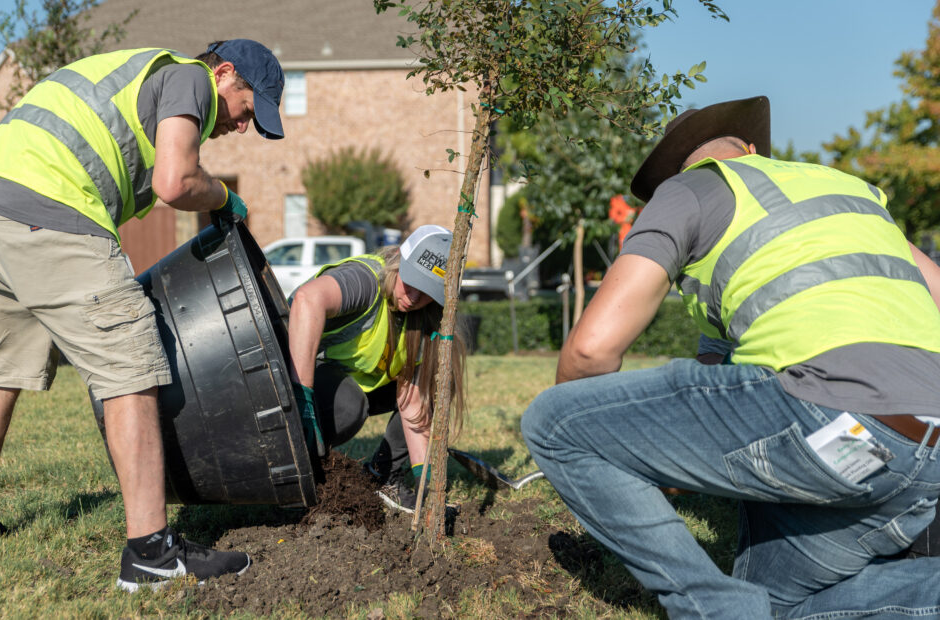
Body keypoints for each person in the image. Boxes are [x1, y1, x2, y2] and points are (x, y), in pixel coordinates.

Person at [521, 96, 940, 618]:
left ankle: (713, 610)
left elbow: (590, 349)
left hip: (835, 422)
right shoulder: (849, 191)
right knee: (782, 604)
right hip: (921, 451)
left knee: (556, 422)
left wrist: (601, 453)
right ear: (753, 149)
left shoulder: (689, 189)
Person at [0, 39, 285, 592]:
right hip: (50, 207)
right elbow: (175, 182)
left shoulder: (133, 76)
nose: (242, 126)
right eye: (248, 108)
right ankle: (151, 553)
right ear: (224, 73)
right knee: (132, 361)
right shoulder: (188, 78)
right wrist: (220, 196)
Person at [287, 224, 466, 512]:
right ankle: (297, 471)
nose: (415, 298)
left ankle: (383, 476)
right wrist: (301, 398)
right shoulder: (366, 280)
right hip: (297, 380)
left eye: (428, 292)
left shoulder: (419, 317)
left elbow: (413, 402)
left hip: (353, 384)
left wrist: (426, 482)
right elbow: (307, 299)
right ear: (398, 261)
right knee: (348, 405)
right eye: (412, 282)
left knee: (438, 381)